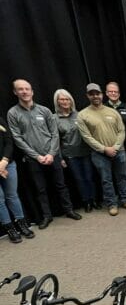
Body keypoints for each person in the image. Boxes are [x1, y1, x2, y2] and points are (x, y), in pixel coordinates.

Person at [7, 79, 82, 229]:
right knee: (40, 189)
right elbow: (17, 138)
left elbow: (54, 134)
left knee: (61, 185)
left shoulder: (44, 110)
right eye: (20, 89)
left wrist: (51, 154)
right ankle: (47, 216)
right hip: (32, 159)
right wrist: (37, 156)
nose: (24, 92)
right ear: (15, 92)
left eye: (27, 89)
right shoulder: (13, 113)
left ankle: (68, 210)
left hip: (52, 155)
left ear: (32, 91)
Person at [77, 83, 126, 216]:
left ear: (102, 95)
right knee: (106, 180)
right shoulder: (82, 115)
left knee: (122, 177)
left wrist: (115, 147)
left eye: (97, 93)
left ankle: (125, 200)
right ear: (87, 96)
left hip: (119, 151)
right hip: (99, 154)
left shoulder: (112, 112)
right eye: (92, 94)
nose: (95, 96)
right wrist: (104, 149)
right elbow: (87, 137)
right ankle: (112, 204)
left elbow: (121, 131)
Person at [54, 89, 97, 213]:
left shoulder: (79, 115)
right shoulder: (54, 118)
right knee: (79, 179)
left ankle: (93, 199)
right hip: (70, 155)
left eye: (67, 99)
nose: (65, 102)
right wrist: (60, 158)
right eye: (62, 99)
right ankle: (86, 201)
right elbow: (56, 140)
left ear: (71, 101)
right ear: (57, 101)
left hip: (85, 152)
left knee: (89, 177)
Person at [0, 117, 35, 243]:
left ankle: (22, 224)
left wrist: (4, 161)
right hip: (2, 166)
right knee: (0, 200)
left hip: (8, 163)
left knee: (12, 196)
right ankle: (10, 229)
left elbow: (9, 141)